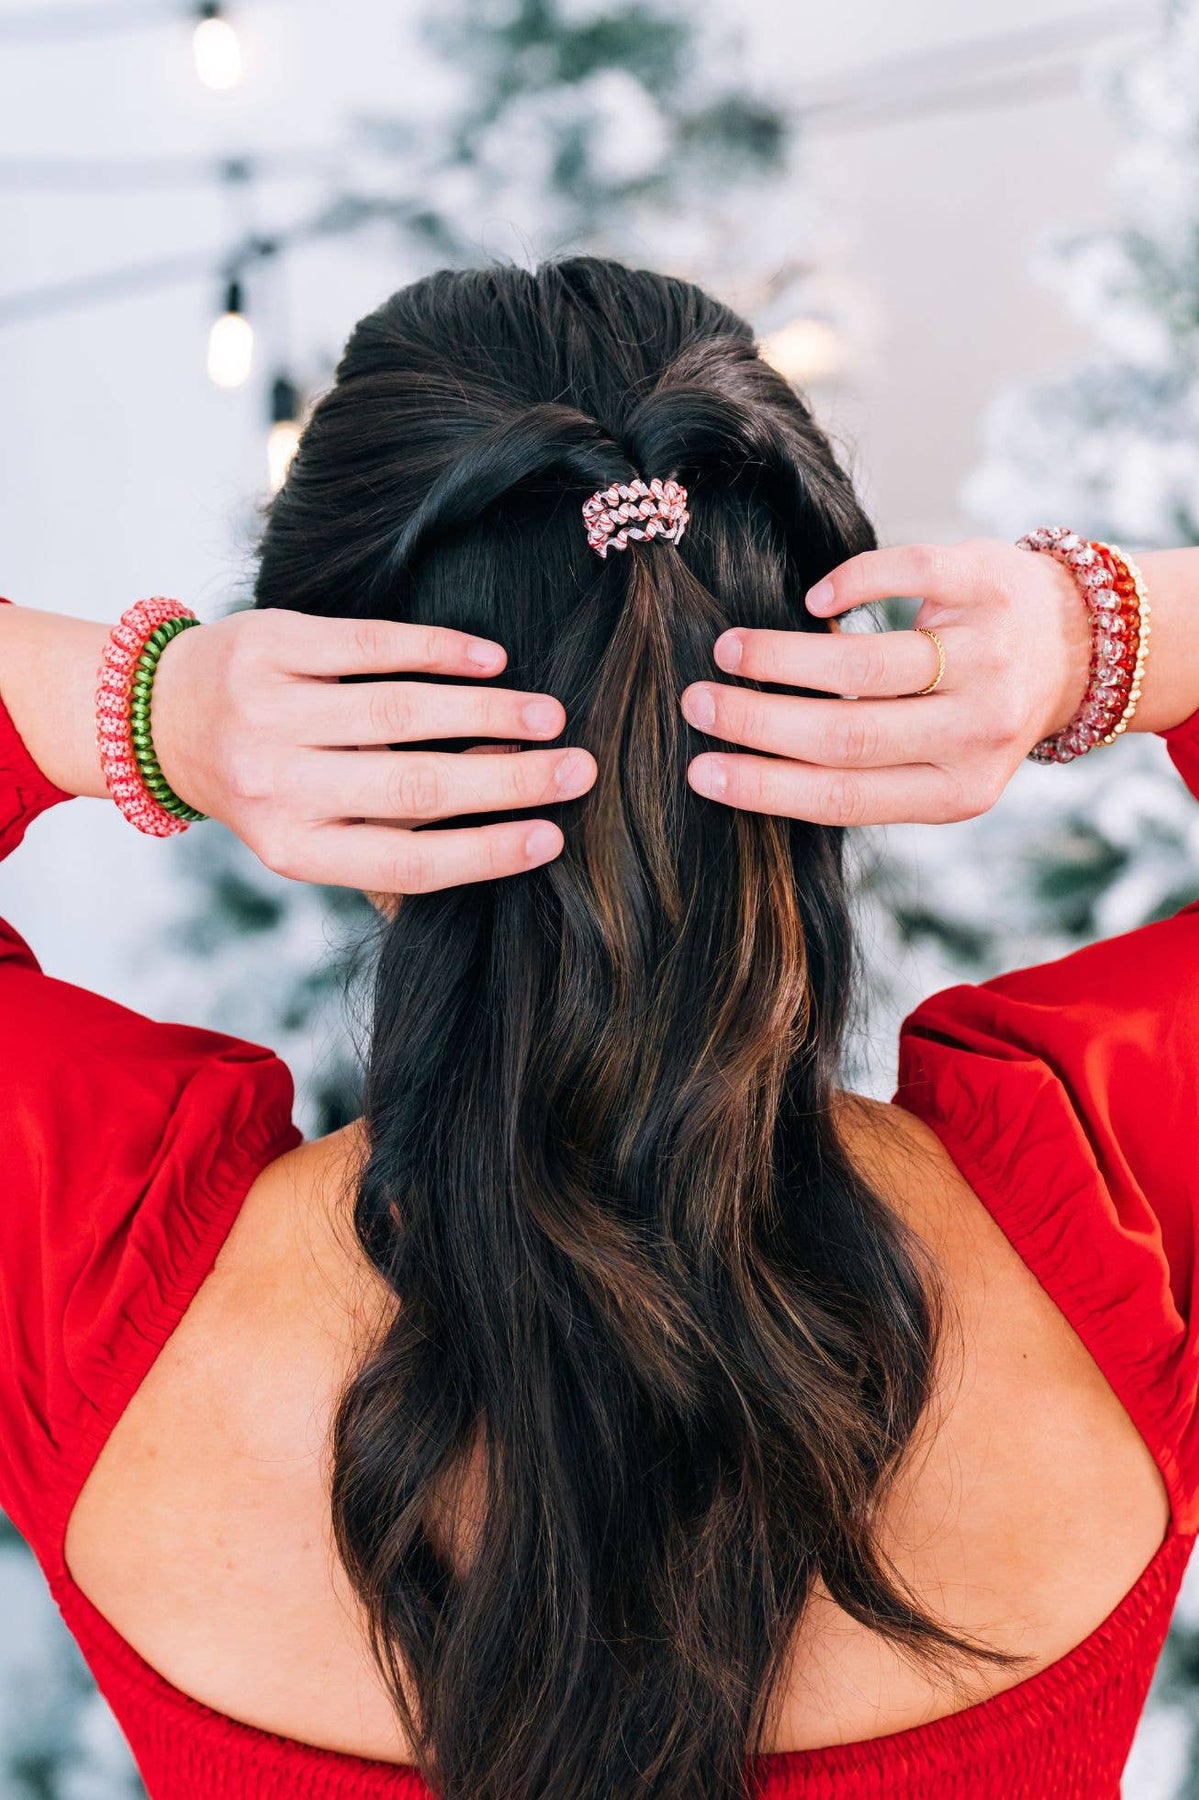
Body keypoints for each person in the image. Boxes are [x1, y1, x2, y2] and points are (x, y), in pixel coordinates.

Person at [1, 258, 1197, 1800]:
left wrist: (143, 708)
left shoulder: (96, 1287)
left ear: (330, 746)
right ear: (849, 704)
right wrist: (1103, 637)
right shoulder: (1118, 1221)